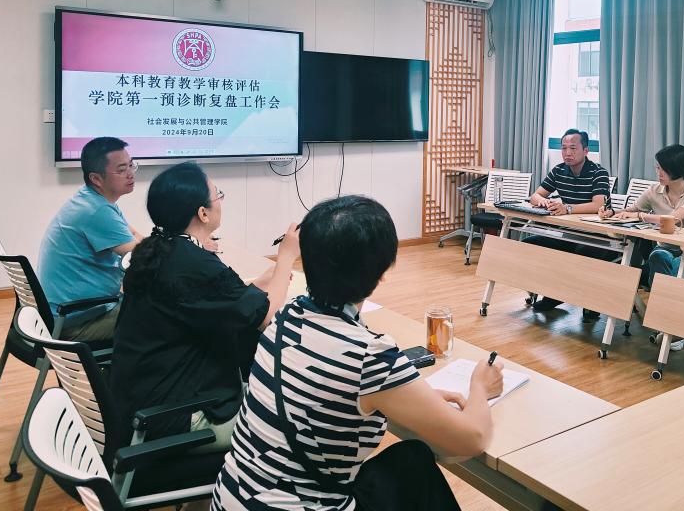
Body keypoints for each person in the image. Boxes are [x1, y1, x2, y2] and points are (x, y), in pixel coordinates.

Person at [212, 195, 504, 511]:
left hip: (232, 496)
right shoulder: (369, 355)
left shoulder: (287, 316)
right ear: (383, 271)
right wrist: (480, 386)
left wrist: (416, 396)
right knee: (414, 469)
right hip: (292, 505)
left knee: (411, 460)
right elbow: (473, 439)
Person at [111, 161, 294, 451]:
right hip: (173, 416)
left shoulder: (157, 248)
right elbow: (266, 317)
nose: (221, 200)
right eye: (217, 194)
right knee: (294, 424)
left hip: (138, 398)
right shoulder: (192, 264)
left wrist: (265, 280)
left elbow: (215, 300)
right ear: (203, 213)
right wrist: (286, 257)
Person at [37, 137, 142, 341]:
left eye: (131, 165)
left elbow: (136, 237)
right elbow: (140, 253)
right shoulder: (96, 211)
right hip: (76, 322)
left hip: (70, 312)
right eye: (121, 170)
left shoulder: (92, 200)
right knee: (165, 317)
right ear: (96, 178)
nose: (130, 173)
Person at [526, 129, 611, 318]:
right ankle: (552, 293)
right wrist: (544, 202)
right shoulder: (558, 170)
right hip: (568, 233)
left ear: (586, 150)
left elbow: (598, 204)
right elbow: (535, 195)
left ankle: (589, 302)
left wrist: (568, 208)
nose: (567, 153)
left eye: (573, 148)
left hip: (597, 237)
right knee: (530, 245)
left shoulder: (598, 173)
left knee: (581, 253)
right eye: (564, 148)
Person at [601, 144, 684, 281]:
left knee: (671, 269)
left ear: (678, 169)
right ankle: (660, 289)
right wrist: (611, 212)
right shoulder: (654, 191)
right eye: (658, 168)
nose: (659, 173)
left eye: (663, 169)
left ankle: (657, 289)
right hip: (666, 247)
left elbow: (673, 219)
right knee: (659, 256)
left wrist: (641, 216)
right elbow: (630, 211)